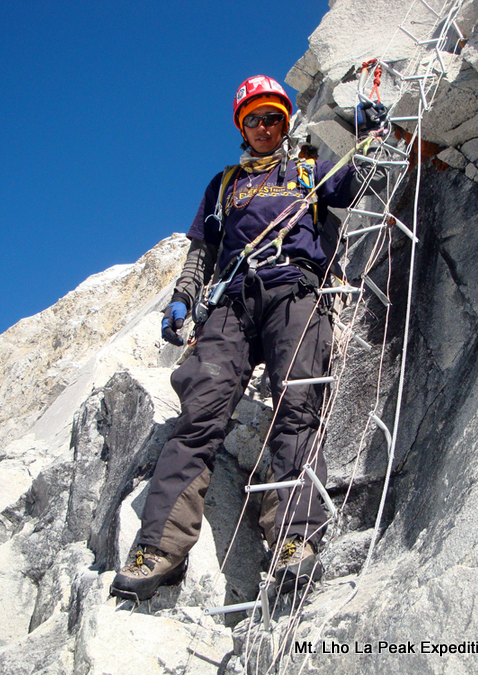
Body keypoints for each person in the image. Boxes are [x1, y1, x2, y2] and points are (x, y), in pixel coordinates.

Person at [110, 75, 370, 603]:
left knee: (296, 405)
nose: (264, 127)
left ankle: (295, 539)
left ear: (285, 121)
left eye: (273, 117)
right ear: (241, 127)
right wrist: (183, 297)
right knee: (198, 416)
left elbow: (358, 187)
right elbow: (201, 252)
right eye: (254, 119)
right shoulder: (224, 183)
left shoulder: (308, 169)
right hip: (230, 303)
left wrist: (368, 135)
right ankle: (158, 547)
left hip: (295, 291)